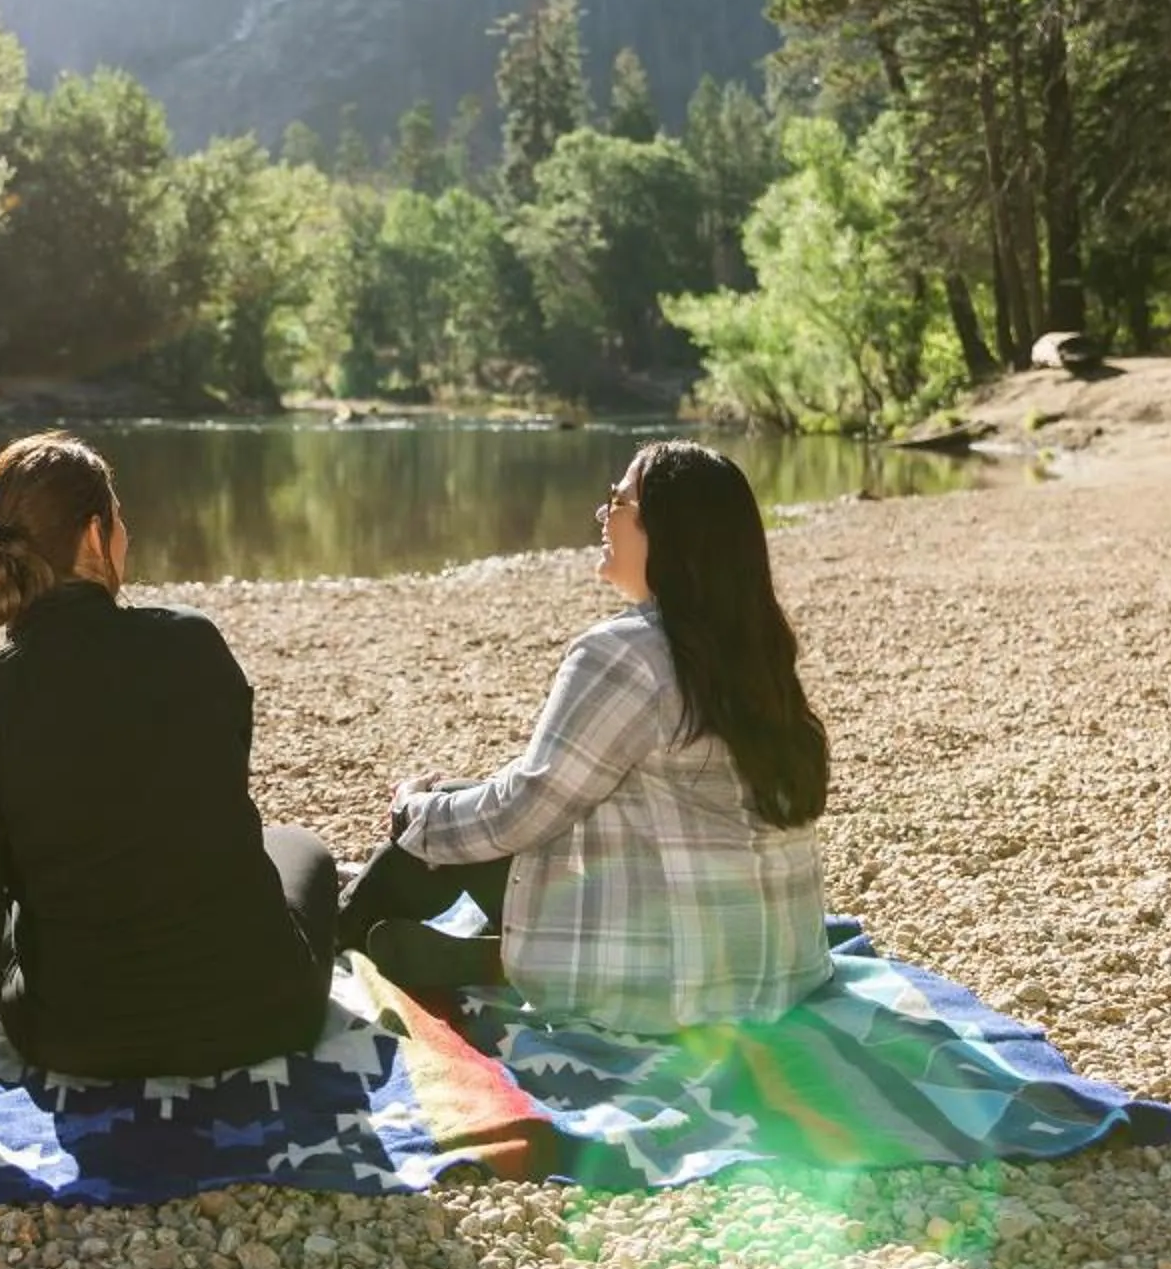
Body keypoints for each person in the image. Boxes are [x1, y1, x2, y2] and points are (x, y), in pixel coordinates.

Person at [0, 432, 336, 1166]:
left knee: (3, 905)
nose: (127, 535)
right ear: (96, 536)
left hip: (76, 1036)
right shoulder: (194, 644)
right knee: (302, 848)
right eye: (121, 519)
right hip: (262, 1013)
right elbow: (213, 798)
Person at [333, 439, 834, 1033]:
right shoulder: (751, 649)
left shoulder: (626, 653)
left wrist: (411, 814)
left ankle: (329, 934)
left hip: (679, 985)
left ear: (669, 529)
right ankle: (488, 953)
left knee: (434, 832)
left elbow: (523, 810)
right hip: (784, 965)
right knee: (465, 811)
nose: (602, 513)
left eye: (617, 500)